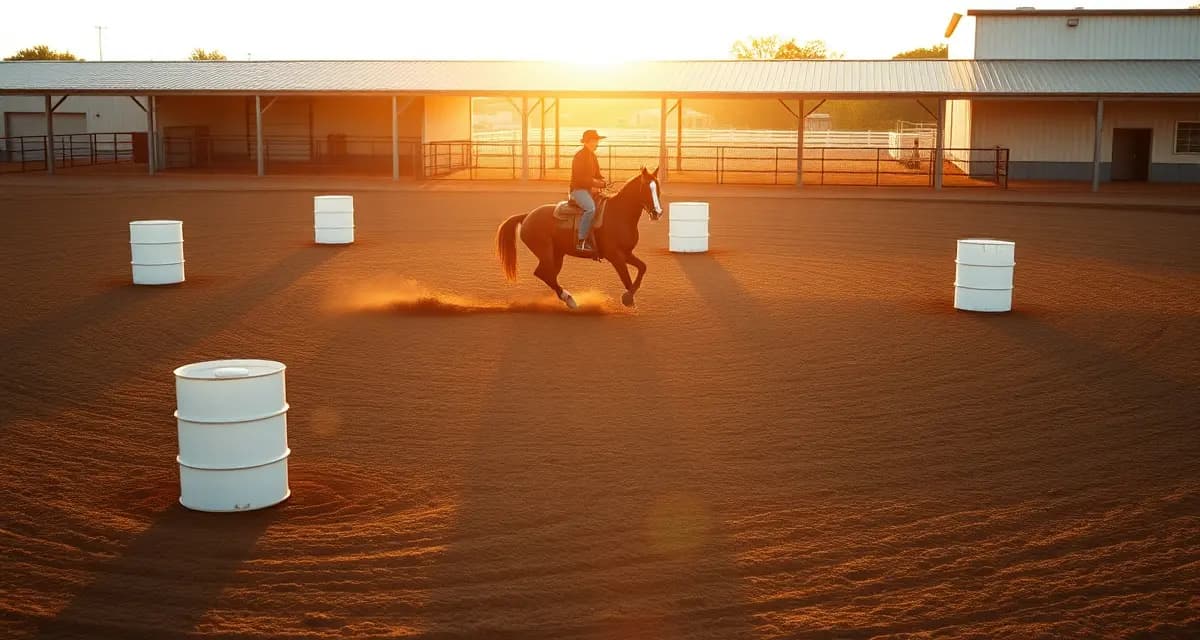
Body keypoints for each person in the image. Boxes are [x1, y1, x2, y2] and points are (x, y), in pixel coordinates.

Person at [570, 129, 607, 252]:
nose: (596, 143)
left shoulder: (592, 156)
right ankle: (581, 241)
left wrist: (603, 181)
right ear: (586, 142)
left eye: (596, 141)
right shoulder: (579, 156)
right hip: (578, 190)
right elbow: (580, 179)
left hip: (590, 189)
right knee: (590, 209)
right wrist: (597, 183)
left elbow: (597, 174)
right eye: (593, 141)